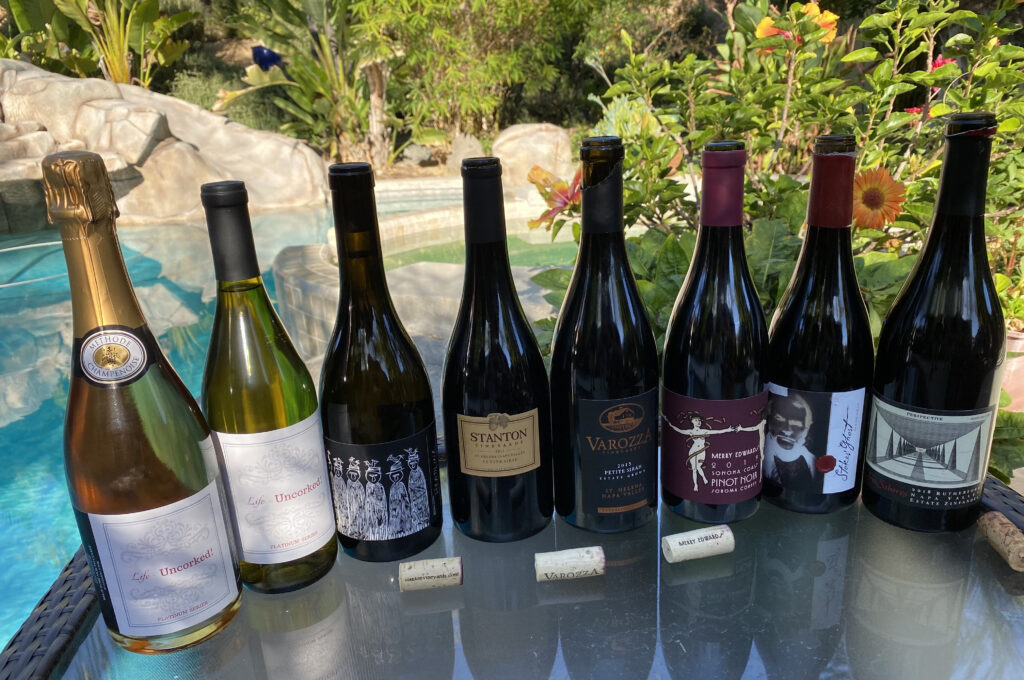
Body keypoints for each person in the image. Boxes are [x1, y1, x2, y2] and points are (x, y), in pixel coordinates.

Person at [665, 411, 735, 493]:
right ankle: (696, 485)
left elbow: (717, 431)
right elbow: (680, 430)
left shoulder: (704, 431)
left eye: (699, 420)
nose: (698, 422)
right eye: (696, 420)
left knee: (699, 467)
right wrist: (669, 423)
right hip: (693, 451)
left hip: (701, 451)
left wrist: (728, 429)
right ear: (692, 422)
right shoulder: (691, 431)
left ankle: (704, 478)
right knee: (694, 469)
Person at [764, 393, 820, 492]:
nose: (787, 430)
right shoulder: (757, 453)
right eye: (779, 420)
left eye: (796, 425)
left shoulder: (811, 460)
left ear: (807, 428)